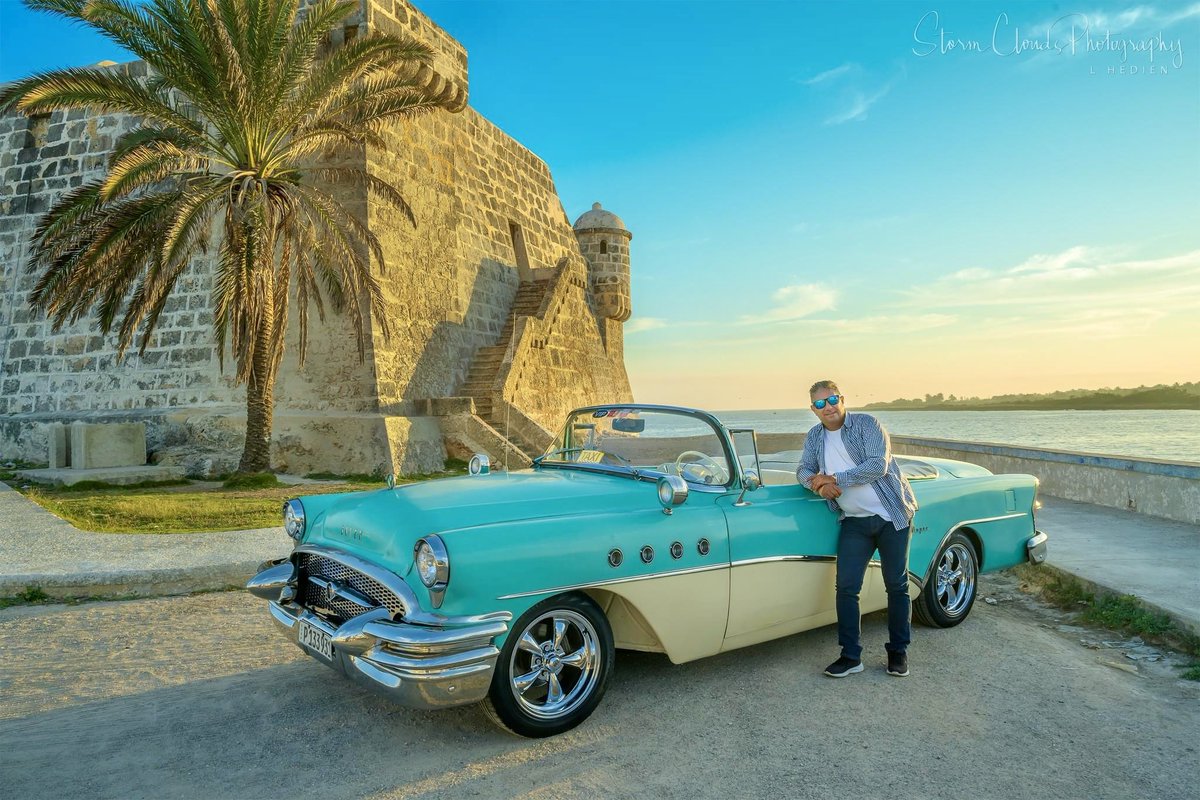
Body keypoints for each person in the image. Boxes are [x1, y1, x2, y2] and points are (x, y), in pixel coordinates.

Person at [796, 380, 918, 678]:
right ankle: (851, 657)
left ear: (842, 399)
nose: (829, 407)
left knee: (896, 585)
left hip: (892, 516)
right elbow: (802, 470)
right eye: (821, 404)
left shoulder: (867, 424)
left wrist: (834, 478)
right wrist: (817, 486)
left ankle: (898, 653)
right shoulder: (815, 438)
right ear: (813, 409)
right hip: (853, 522)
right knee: (847, 588)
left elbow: (878, 465)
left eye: (832, 399)